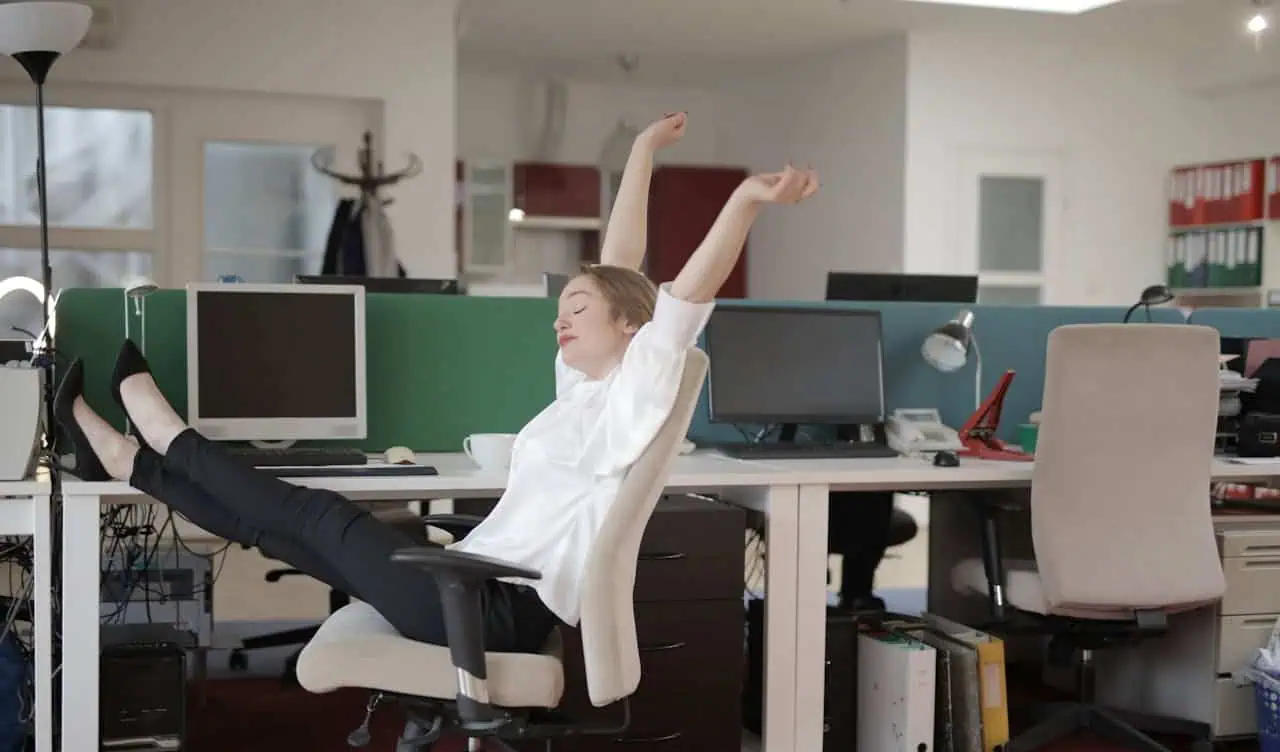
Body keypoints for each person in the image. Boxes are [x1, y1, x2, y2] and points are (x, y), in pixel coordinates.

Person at [53, 112, 820, 657]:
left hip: (495, 609)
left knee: (317, 513)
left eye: (576, 308)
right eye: (561, 307)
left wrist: (745, 202)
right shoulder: (582, 389)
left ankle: (166, 435)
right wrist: (645, 151)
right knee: (276, 530)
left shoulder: (639, 388)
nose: (561, 318)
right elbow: (617, 264)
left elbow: (679, 297)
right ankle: (139, 462)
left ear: (628, 327)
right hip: (474, 576)